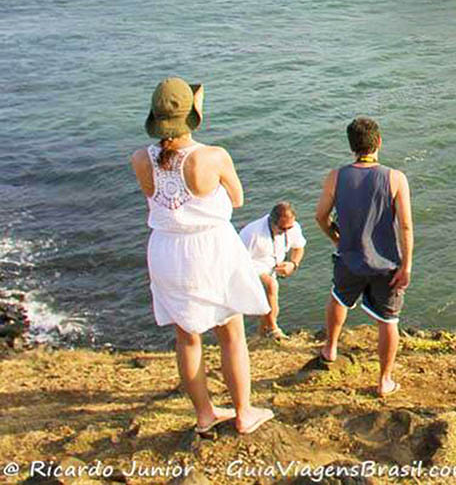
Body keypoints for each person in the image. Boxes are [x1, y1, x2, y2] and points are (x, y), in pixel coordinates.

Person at [130, 78, 274, 435]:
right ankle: (243, 413)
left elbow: (159, 190)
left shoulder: (140, 158)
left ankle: (205, 414)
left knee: (187, 337)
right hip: (209, 251)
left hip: (165, 250)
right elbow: (237, 198)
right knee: (231, 334)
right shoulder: (212, 156)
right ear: (193, 114)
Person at [314, 116, 413, 398]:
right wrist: (407, 265)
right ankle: (384, 381)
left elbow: (320, 216)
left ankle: (330, 349)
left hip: (349, 258)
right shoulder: (395, 178)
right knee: (388, 320)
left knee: (338, 298)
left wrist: (336, 237)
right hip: (386, 263)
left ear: (351, 146)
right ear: (378, 142)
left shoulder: (336, 176)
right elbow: (405, 225)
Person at [239, 201, 307, 340]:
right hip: (250, 265)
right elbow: (237, 260)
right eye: (282, 228)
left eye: (289, 227)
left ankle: (262, 335)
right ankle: (273, 328)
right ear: (272, 221)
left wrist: (293, 264)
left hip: (272, 266)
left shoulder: (292, 228)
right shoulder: (252, 233)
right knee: (271, 286)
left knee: (270, 300)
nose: (286, 231)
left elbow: (298, 247)